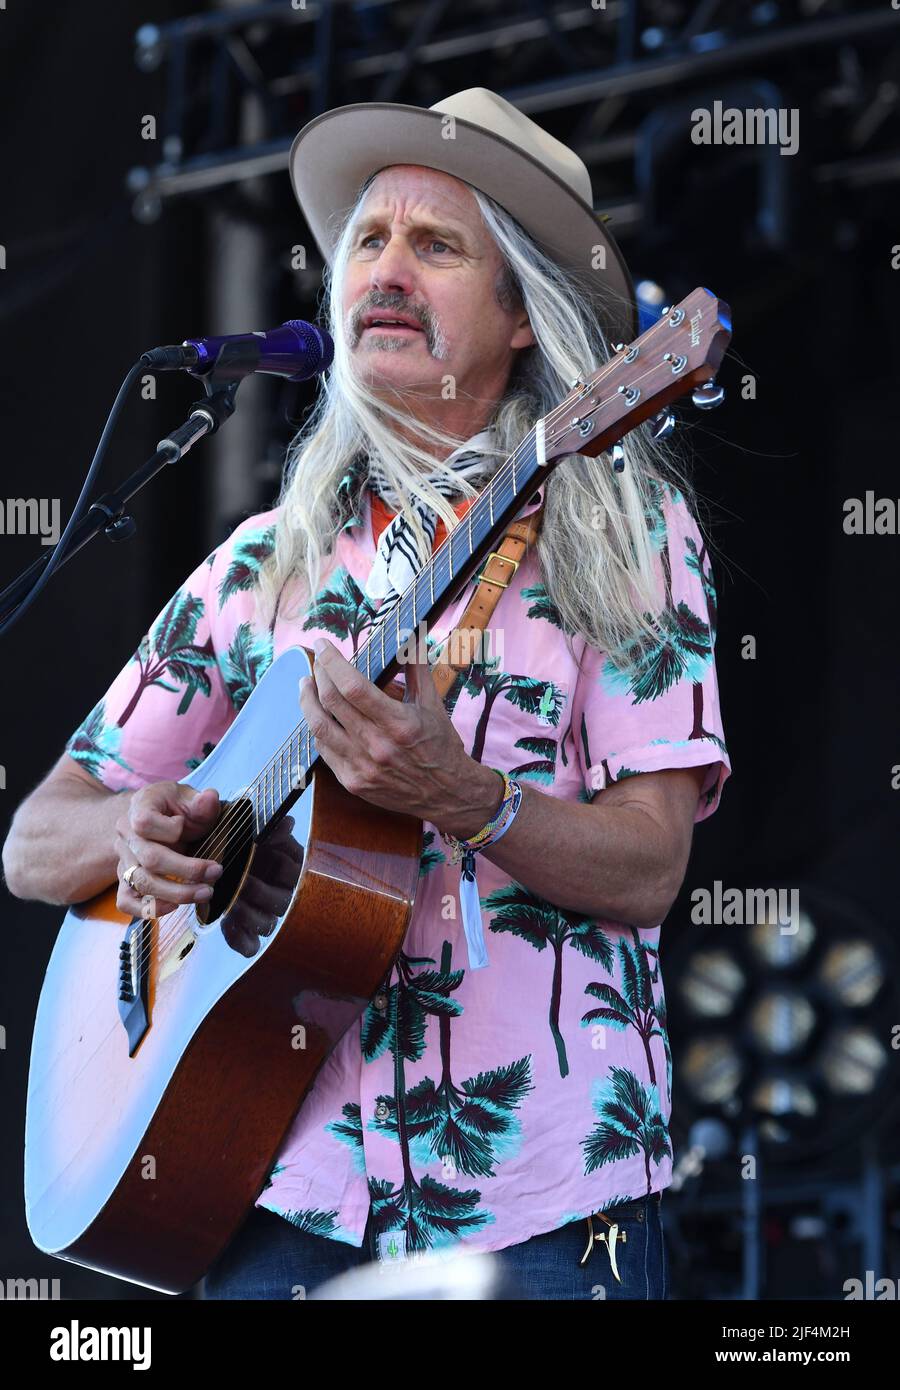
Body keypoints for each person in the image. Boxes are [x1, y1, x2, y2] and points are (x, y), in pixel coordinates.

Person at [2, 87, 731, 1300]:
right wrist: (134, 830)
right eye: (371, 242)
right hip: (276, 1188)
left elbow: (652, 868)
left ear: (521, 320)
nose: (386, 269)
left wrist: (473, 798)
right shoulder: (260, 564)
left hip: (550, 1204)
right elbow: (33, 839)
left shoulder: (631, 535)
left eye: (437, 245)